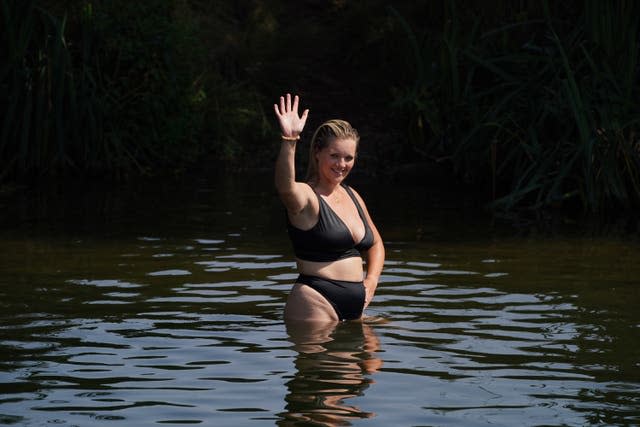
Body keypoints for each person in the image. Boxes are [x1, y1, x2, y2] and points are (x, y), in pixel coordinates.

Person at [274, 93, 385, 322]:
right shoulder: (307, 195)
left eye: (348, 158)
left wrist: (371, 281)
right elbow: (285, 188)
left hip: (356, 309)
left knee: (384, 351)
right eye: (334, 156)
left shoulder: (353, 195)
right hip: (316, 302)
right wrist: (289, 140)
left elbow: (375, 244)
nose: (341, 165)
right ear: (317, 152)